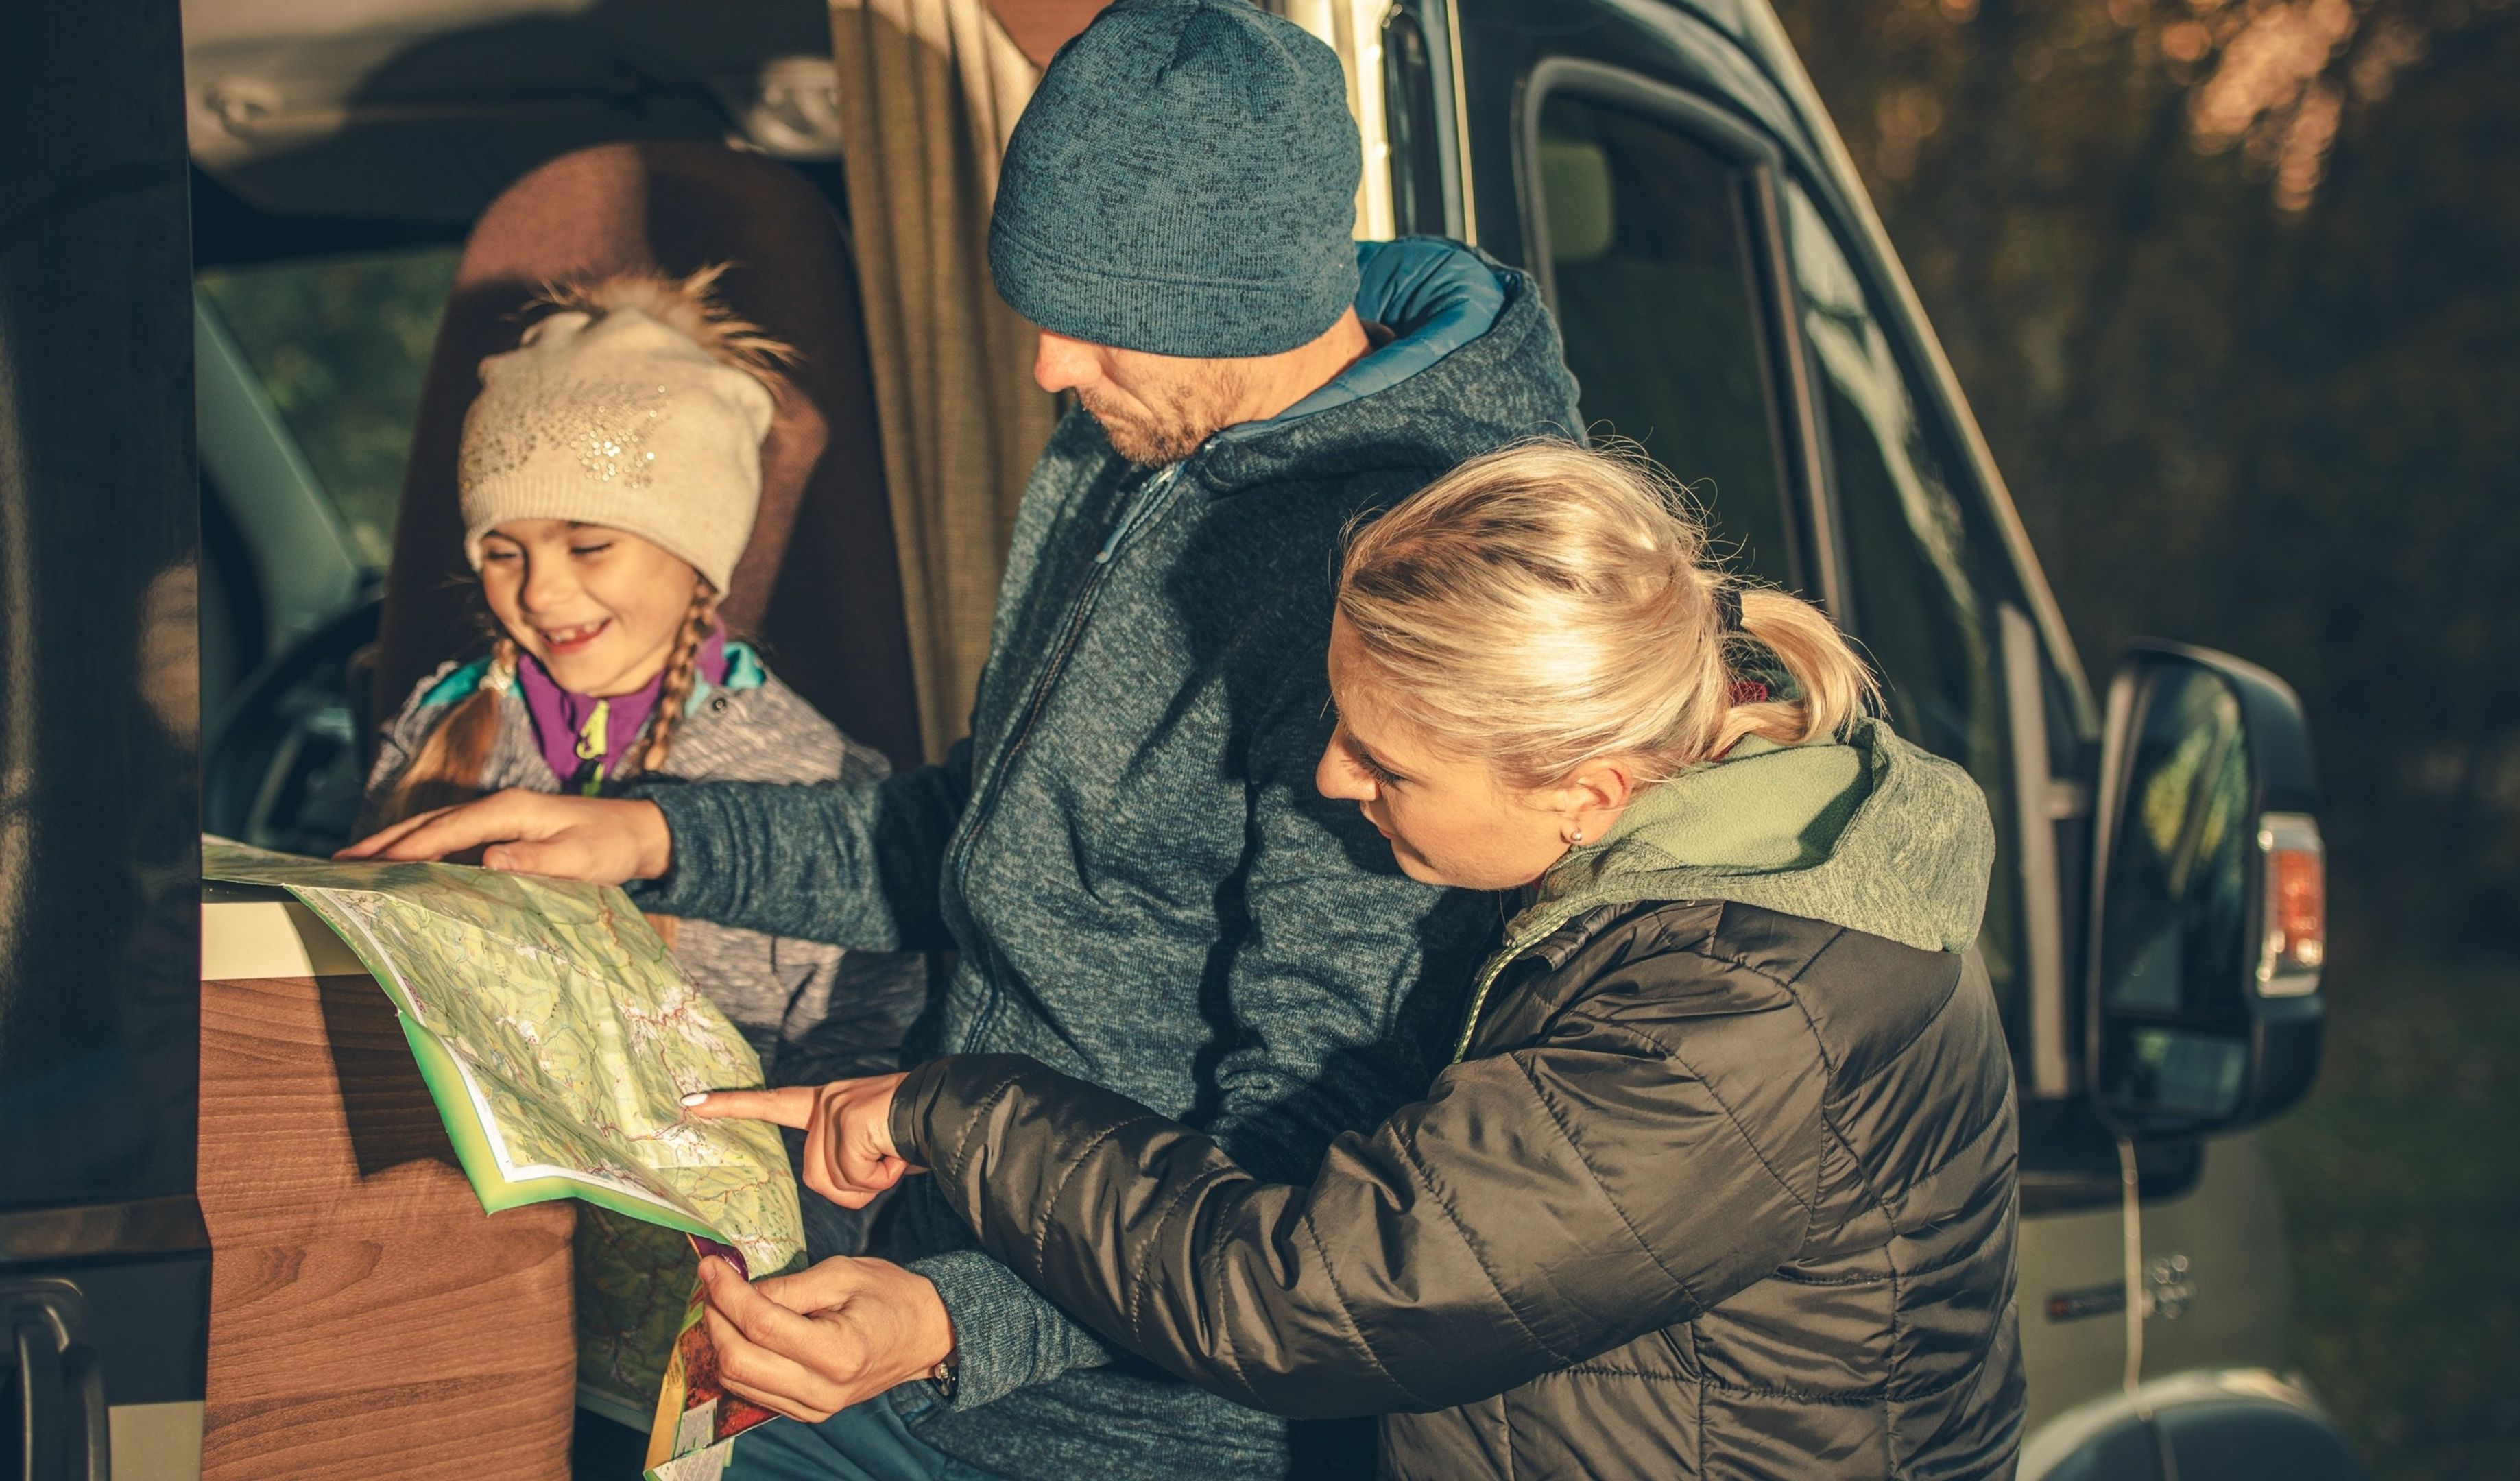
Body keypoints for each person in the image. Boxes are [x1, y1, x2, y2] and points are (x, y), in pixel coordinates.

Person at [341, 1, 1587, 1476]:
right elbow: (989, 841)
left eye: (1100, 321)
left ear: (1240, 292)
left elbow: (1313, 1161)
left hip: (1138, 1417)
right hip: (942, 1307)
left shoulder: (1407, 591)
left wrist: (958, 1322)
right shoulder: (1149, 429)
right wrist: (659, 836)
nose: (1052, 365)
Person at [685, 441, 2027, 1480]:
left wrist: (953, 1111)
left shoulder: (1730, 1024)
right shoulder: (1689, 878)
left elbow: (1308, 1291)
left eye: (1387, 762)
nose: (1331, 777)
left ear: (1588, 785)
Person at [352, 267, 928, 1409]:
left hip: (692, 1284)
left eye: (589, 544)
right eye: (502, 550)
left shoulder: (806, 779)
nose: (540, 590)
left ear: (698, 554)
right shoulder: (439, 724)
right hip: (450, 1259)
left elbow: (853, 1067)